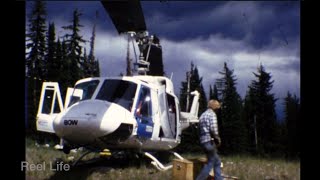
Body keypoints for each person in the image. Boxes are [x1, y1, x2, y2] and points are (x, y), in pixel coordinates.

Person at [196, 99, 222, 180]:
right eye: (217, 107)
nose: (218, 109)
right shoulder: (212, 114)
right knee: (210, 163)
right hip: (209, 142)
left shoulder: (203, 115)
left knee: (216, 162)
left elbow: (198, 128)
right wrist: (217, 138)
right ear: (214, 107)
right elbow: (213, 129)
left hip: (203, 141)